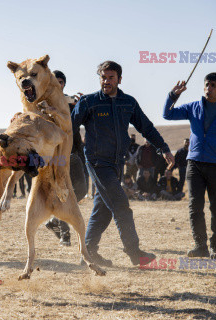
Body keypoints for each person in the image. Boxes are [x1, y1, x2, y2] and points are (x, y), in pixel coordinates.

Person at [72, 60, 174, 266]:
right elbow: (68, 127)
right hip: (98, 162)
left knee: (102, 210)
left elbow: (146, 127)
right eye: (103, 77)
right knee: (121, 205)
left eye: (111, 77)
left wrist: (163, 148)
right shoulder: (88, 102)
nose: (106, 81)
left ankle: (88, 254)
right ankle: (135, 253)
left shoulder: (128, 102)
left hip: (117, 163)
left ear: (119, 79)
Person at [163, 72, 216, 259]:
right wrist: (173, 95)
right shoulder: (194, 107)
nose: (209, 88)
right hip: (194, 164)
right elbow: (167, 114)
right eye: (207, 84)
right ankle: (200, 245)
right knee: (195, 206)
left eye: (214, 85)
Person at [45, 70, 87, 247]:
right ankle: (65, 235)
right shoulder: (44, 103)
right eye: (55, 81)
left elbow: (81, 120)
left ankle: (55, 219)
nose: (58, 84)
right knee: (63, 190)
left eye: (61, 81)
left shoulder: (71, 102)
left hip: (76, 150)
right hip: (57, 152)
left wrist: (83, 104)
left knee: (82, 189)